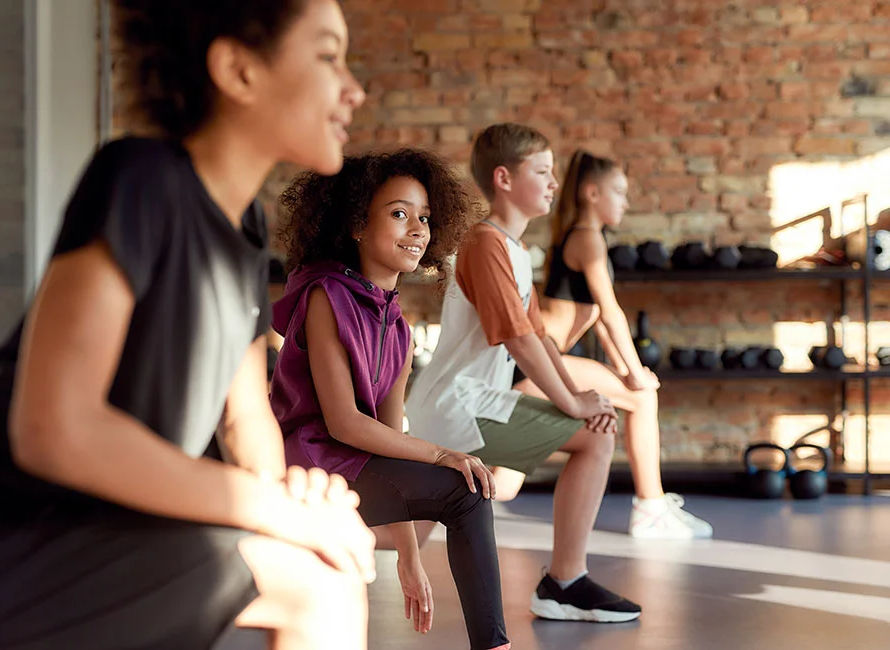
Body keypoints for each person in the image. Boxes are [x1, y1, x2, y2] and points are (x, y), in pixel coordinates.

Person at [0, 1, 377, 648]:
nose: (353, 89)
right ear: (238, 70)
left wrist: (295, 505)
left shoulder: (244, 230)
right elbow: (55, 430)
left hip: (105, 530)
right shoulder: (139, 179)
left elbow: (245, 421)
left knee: (325, 570)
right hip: (10, 530)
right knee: (317, 587)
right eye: (329, 56)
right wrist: (279, 515)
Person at [270, 149, 512, 650]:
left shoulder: (397, 325)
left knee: (470, 491)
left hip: (352, 466)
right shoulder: (325, 296)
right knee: (463, 485)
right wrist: (443, 454)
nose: (418, 229)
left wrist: (408, 553)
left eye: (424, 217)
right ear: (358, 224)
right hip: (307, 464)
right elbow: (344, 425)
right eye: (399, 213)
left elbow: (388, 436)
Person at [406, 123, 642, 623]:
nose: (555, 183)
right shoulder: (485, 242)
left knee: (402, 533)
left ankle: (308, 535)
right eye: (542, 171)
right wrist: (575, 405)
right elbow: (517, 338)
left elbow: (541, 339)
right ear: (504, 178)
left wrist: (580, 394)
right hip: (459, 404)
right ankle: (564, 582)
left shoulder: (512, 249)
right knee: (594, 437)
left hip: (470, 403)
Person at [531, 149, 713, 540]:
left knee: (504, 483)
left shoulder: (584, 237)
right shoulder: (587, 240)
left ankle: (654, 506)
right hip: (538, 360)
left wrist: (628, 372)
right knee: (644, 399)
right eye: (619, 192)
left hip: (550, 357)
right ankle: (651, 509)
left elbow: (597, 320)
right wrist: (634, 376)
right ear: (592, 193)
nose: (626, 202)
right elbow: (612, 314)